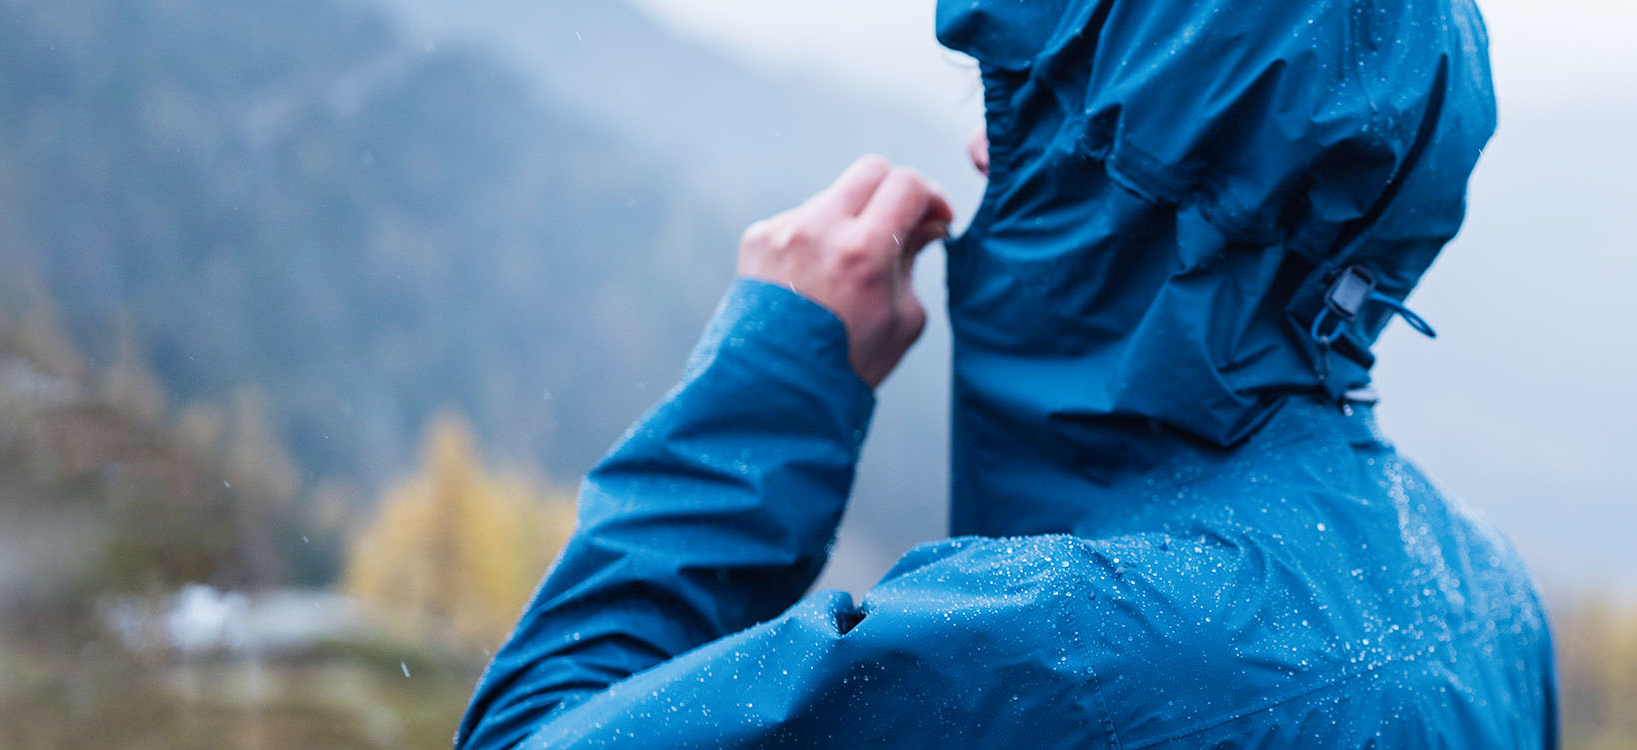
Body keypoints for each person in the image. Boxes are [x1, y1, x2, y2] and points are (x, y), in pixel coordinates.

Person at [449, 0, 1536, 745]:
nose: (980, 144)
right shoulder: (1487, 597)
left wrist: (776, 373)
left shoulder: (1067, 650)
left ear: (1148, 184)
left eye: (1029, 101)